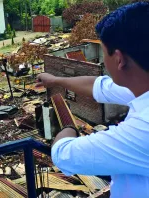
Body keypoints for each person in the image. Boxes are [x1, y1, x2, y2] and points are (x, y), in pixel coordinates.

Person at [36, 2, 149, 198]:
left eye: (104, 53)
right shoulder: (140, 86)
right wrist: (56, 80)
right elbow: (100, 86)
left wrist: (67, 128)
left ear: (119, 59)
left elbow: (63, 154)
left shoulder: (143, 128)